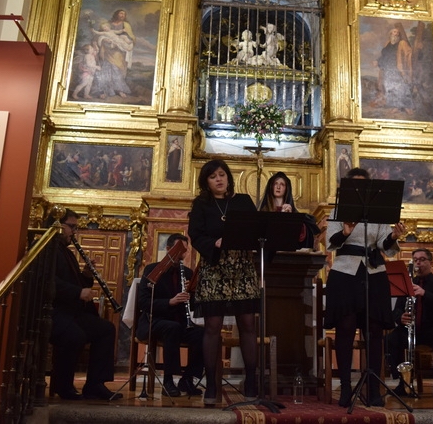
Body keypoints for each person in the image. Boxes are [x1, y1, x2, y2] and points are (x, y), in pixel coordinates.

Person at [325, 167, 404, 407]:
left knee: (374, 330)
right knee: (346, 327)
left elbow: (384, 244)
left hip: (373, 272)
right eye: (355, 185)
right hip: (345, 272)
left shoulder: (377, 214)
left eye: (363, 185)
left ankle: (373, 388)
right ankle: (346, 387)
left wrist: (394, 236)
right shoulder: (337, 211)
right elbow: (331, 243)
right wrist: (345, 232)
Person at [187, 159, 260, 405]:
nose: (218, 179)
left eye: (222, 174)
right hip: (214, 267)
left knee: (248, 324)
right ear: (206, 182)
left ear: (228, 177)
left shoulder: (243, 202)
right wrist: (214, 243)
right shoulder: (201, 204)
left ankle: (251, 381)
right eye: (213, 176)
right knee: (212, 326)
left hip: (242, 266)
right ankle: (211, 384)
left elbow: (256, 229)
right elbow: (195, 235)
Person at [49, 209, 121, 401]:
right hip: (53, 312)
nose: (74, 232)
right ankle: (63, 386)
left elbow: (75, 283)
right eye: (71, 227)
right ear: (57, 225)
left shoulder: (67, 252)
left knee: (105, 329)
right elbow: (49, 281)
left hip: (70, 312)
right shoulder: (46, 249)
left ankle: (95, 385)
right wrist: (78, 292)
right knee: (75, 336)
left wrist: (86, 276)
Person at [136, 233, 204, 397]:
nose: (182, 255)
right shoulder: (152, 270)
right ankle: (168, 381)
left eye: (185, 251)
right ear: (168, 249)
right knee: (172, 328)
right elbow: (143, 302)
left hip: (179, 323)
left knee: (203, 334)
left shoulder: (187, 273)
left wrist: (193, 292)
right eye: (179, 250)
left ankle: (187, 379)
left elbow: (194, 306)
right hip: (154, 321)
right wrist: (170, 302)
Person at [384, 248, 433, 398]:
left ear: (431, 263)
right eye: (415, 260)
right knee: (391, 339)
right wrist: (400, 317)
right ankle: (402, 382)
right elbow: (396, 310)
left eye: (422, 260)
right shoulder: (407, 283)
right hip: (412, 328)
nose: (418, 263)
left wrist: (425, 293)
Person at [258, 171, 319, 251]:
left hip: (288, 253)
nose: (278, 187)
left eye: (282, 184)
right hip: (268, 252)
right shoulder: (264, 212)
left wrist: (291, 218)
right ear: (271, 187)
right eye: (275, 184)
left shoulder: (291, 211)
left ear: (286, 188)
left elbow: (301, 237)